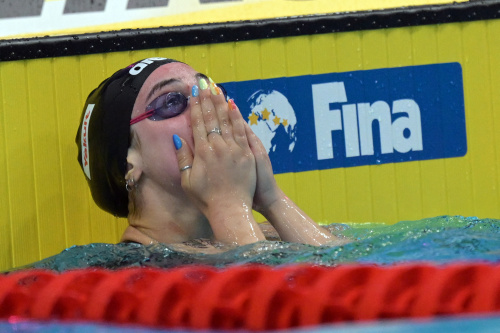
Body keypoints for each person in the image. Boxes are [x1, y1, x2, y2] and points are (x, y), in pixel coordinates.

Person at [76, 57, 345, 254]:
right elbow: (269, 310)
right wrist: (228, 205)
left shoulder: (270, 235)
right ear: (127, 164)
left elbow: (353, 285)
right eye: (171, 101)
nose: (204, 108)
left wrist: (272, 199)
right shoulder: (133, 273)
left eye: (208, 91)